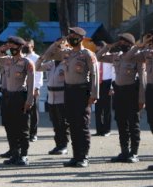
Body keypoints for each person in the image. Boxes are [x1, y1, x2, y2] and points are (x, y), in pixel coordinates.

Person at [43, 27, 99, 168]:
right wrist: (58, 43)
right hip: (69, 91)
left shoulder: (87, 54)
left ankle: (83, 156)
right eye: (69, 35)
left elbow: (94, 74)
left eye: (73, 35)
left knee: (82, 125)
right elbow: (48, 56)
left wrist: (94, 94)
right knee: (72, 125)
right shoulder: (67, 54)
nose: (70, 37)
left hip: (82, 91)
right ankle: (75, 156)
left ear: (80, 38)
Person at [0, 36, 35, 165]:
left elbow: (31, 83)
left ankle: (24, 155)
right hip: (7, 97)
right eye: (8, 46)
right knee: (9, 126)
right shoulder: (6, 61)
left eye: (12, 46)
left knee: (22, 127)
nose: (10, 48)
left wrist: (29, 100)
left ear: (19, 47)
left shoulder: (26, 62)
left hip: (20, 97)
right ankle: (14, 153)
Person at [97, 34, 145, 163]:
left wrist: (142, 99)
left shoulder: (137, 57)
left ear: (130, 44)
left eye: (124, 42)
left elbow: (142, 79)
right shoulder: (116, 56)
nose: (121, 44)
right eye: (120, 42)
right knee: (121, 122)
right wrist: (108, 46)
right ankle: (124, 151)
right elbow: (98, 57)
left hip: (131, 92)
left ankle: (134, 152)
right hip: (119, 92)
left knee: (133, 123)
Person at [36, 42, 70, 155]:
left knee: (63, 123)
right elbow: (37, 67)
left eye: (58, 49)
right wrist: (43, 57)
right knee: (55, 123)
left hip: (62, 96)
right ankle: (58, 145)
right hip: (51, 97)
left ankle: (64, 145)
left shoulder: (66, 64)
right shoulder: (51, 64)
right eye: (54, 49)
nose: (55, 51)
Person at [23, 40, 42, 141]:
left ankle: (33, 134)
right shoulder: (22, 57)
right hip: (23, 88)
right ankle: (25, 132)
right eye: (24, 45)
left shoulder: (36, 58)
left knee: (34, 112)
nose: (25, 47)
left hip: (33, 88)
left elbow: (39, 74)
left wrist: (37, 87)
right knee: (24, 112)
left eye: (28, 45)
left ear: (32, 46)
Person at [95, 40, 114, 137]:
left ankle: (107, 130)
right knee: (98, 108)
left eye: (98, 47)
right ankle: (99, 130)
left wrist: (112, 86)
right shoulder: (96, 57)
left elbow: (113, 72)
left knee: (107, 108)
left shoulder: (110, 57)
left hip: (107, 82)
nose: (96, 49)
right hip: (99, 83)